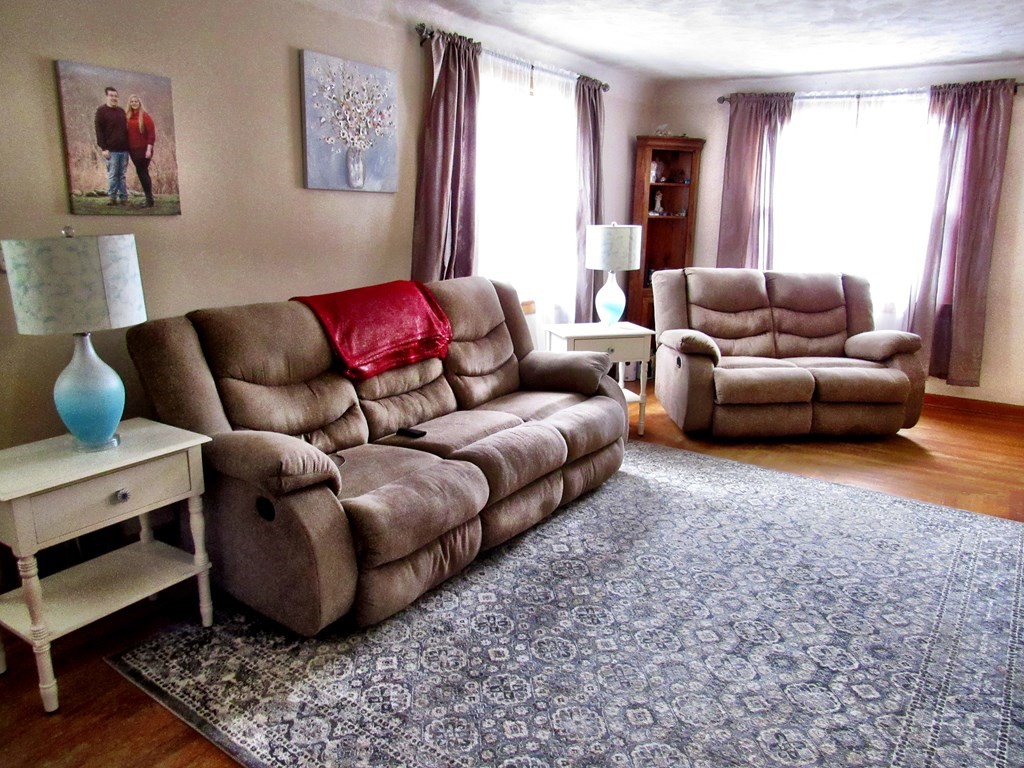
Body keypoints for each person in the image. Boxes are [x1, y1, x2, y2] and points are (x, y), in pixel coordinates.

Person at [94, 86, 129, 205]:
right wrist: (103, 148)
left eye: (115, 96)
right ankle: (112, 198)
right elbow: (99, 131)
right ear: (106, 96)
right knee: (113, 175)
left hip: (124, 150)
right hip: (111, 150)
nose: (114, 98)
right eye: (111, 96)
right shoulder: (101, 111)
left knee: (122, 175)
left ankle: (124, 198)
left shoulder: (121, 111)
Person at [124, 94, 156, 207]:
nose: (134, 103)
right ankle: (149, 198)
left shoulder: (145, 116)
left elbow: (151, 134)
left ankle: (149, 200)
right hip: (133, 150)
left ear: (139, 103)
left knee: (142, 172)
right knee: (142, 172)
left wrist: (149, 149)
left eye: (136, 101)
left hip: (144, 149)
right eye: (132, 101)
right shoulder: (127, 116)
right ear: (130, 103)